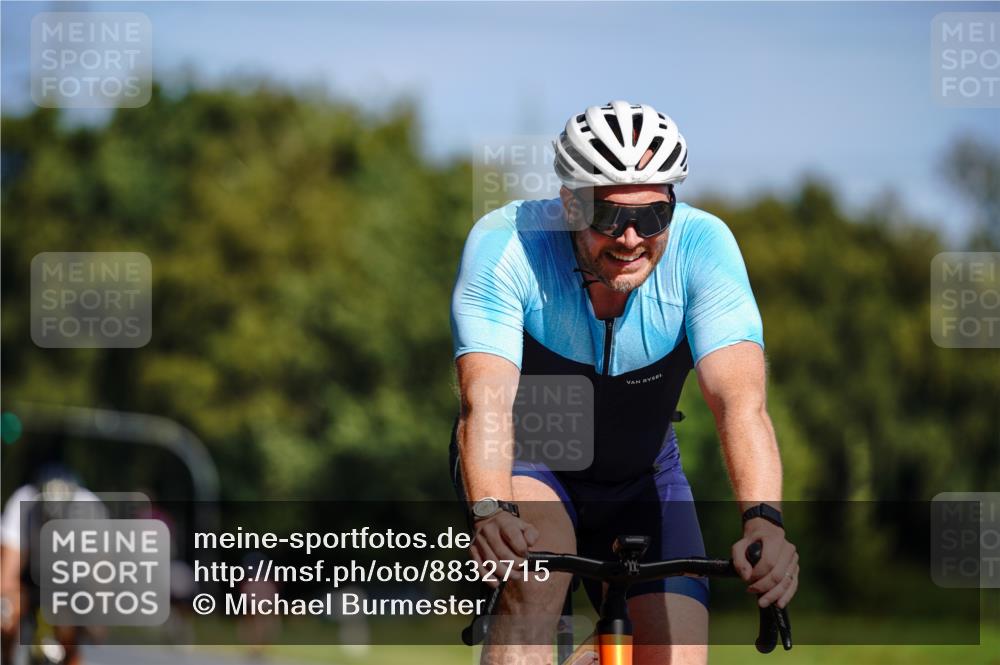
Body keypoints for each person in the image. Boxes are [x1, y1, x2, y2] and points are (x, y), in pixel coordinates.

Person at [449, 101, 799, 665]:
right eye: (608, 216)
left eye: (654, 217)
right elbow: (485, 401)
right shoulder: (507, 243)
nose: (632, 237)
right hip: (535, 457)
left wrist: (766, 523)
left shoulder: (704, 247)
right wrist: (491, 510)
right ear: (568, 204)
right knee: (535, 581)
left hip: (644, 470)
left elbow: (740, 404)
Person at [0, 464, 105, 665]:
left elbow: (99, 577)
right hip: (29, 575)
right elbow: (7, 576)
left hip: (70, 580)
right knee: (6, 614)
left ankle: (71, 656)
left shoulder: (91, 510)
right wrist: (7, 606)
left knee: (71, 627)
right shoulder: (23, 503)